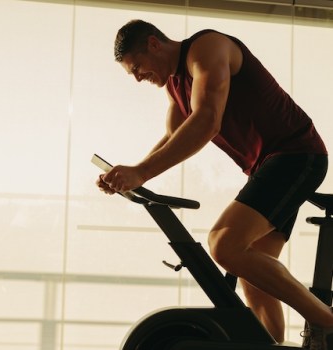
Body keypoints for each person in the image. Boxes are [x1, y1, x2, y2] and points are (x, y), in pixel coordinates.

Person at [96, 19, 333, 349]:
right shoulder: (175, 85)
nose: (138, 78)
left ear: (153, 44)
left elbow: (207, 121)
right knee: (253, 275)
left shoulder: (206, 49)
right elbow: (172, 138)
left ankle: (327, 322)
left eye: (137, 68)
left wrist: (142, 173)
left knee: (225, 245)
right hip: (268, 165)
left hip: (295, 154)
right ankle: (271, 345)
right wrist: (131, 174)